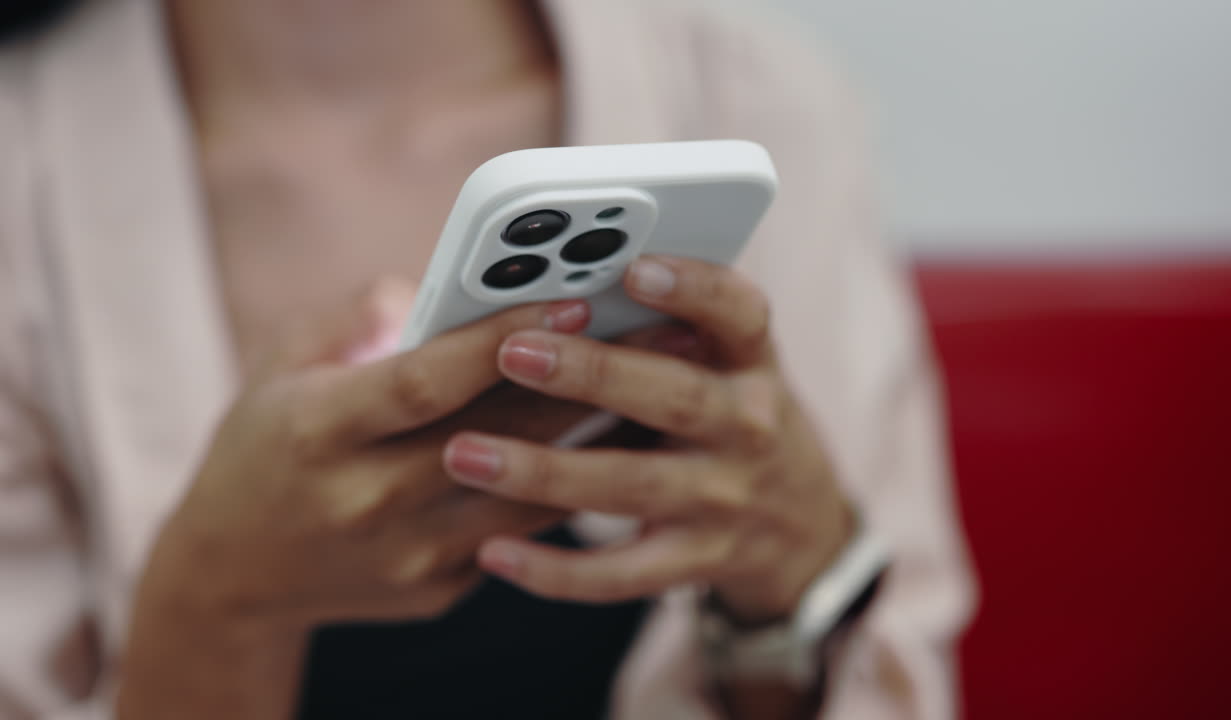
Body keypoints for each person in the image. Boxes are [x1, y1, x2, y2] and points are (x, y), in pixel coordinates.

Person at [0, 0, 975, 717]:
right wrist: (216, 611)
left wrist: (792, 591)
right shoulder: (24, 183)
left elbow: (899, 682)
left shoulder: (753, 100)